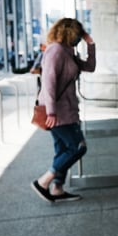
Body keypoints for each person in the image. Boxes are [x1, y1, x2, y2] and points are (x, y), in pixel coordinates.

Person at [31, 18, 96, 202]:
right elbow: (49, 83)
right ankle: (44, 181)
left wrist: (90, 43)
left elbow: (90, 67)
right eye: (77, 34)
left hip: (66, 110)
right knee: (77, 147)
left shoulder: (67, 51)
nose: (78, 38)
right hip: (58, 112)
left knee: (62, 150)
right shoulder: (56, 51)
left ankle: (57, 189)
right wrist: (51, 111)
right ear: (68, 32)